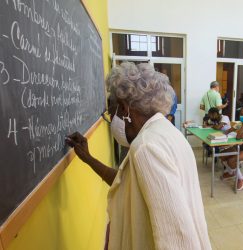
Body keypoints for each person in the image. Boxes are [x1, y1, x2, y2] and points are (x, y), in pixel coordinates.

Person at [66, 62, 211, 250]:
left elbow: (177, 237)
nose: (112, 122)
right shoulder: (165, 131)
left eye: (111, 114)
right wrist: (89, 158)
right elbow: (125, 182)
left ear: (125, 109)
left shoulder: (145, 147)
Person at [219, 107, 243, 191]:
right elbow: (228, 131)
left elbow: (238, 137)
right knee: (222, 156)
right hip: (241, 146)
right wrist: (221, 134)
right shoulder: (240, 123)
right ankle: (231, 172)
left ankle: (241, 178)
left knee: (232, 160)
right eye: (241, 114)